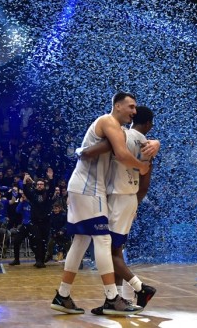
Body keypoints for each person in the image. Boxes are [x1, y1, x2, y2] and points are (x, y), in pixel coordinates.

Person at [50, 92, 150, 316]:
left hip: (81, 187)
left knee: (81, 241)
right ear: (117, 106)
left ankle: (62, 295)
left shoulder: (118, 128)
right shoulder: (107, 121)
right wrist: (142, 168)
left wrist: (155, 143)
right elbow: (123, 154)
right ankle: (112, 298)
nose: (134, 112)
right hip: (89, 188)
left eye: (136, 109)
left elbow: (134, 139)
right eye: (131, 107)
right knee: (103, 240)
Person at [81, 106, 160, 314]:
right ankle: (113, 300)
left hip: (116, 199)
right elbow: (145, 184)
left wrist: (83, 151)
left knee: (107, 251)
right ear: (149, 124)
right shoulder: (148, 146)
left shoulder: (122, 134)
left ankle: (141, 289)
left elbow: (94, 151)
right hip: (130, 198)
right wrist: (134, 202)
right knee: (115, 250)